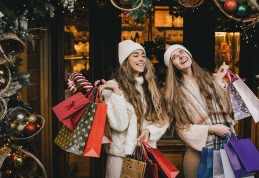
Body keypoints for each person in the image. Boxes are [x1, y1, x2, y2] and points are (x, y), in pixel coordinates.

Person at [99, 40, 169, 178]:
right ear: (125, 60)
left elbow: (163, 119)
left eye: (143, 55)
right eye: (136, 55)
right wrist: (116, 93)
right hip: (120, 155)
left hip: (145, 153)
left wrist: (150, 131)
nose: (141, 59)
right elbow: (120, 125)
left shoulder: (150, 87)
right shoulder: (111, 87)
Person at [163, 44, 234, 178]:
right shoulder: (175, 94)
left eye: (182, 52)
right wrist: (211, 129)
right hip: (198, 155)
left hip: (225, 147)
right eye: (175, 57)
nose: (181, 56)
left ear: (189, 55)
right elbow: (181, 127)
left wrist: (219, 81)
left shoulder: (210, 80)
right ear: (173, 66)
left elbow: (228, 109)